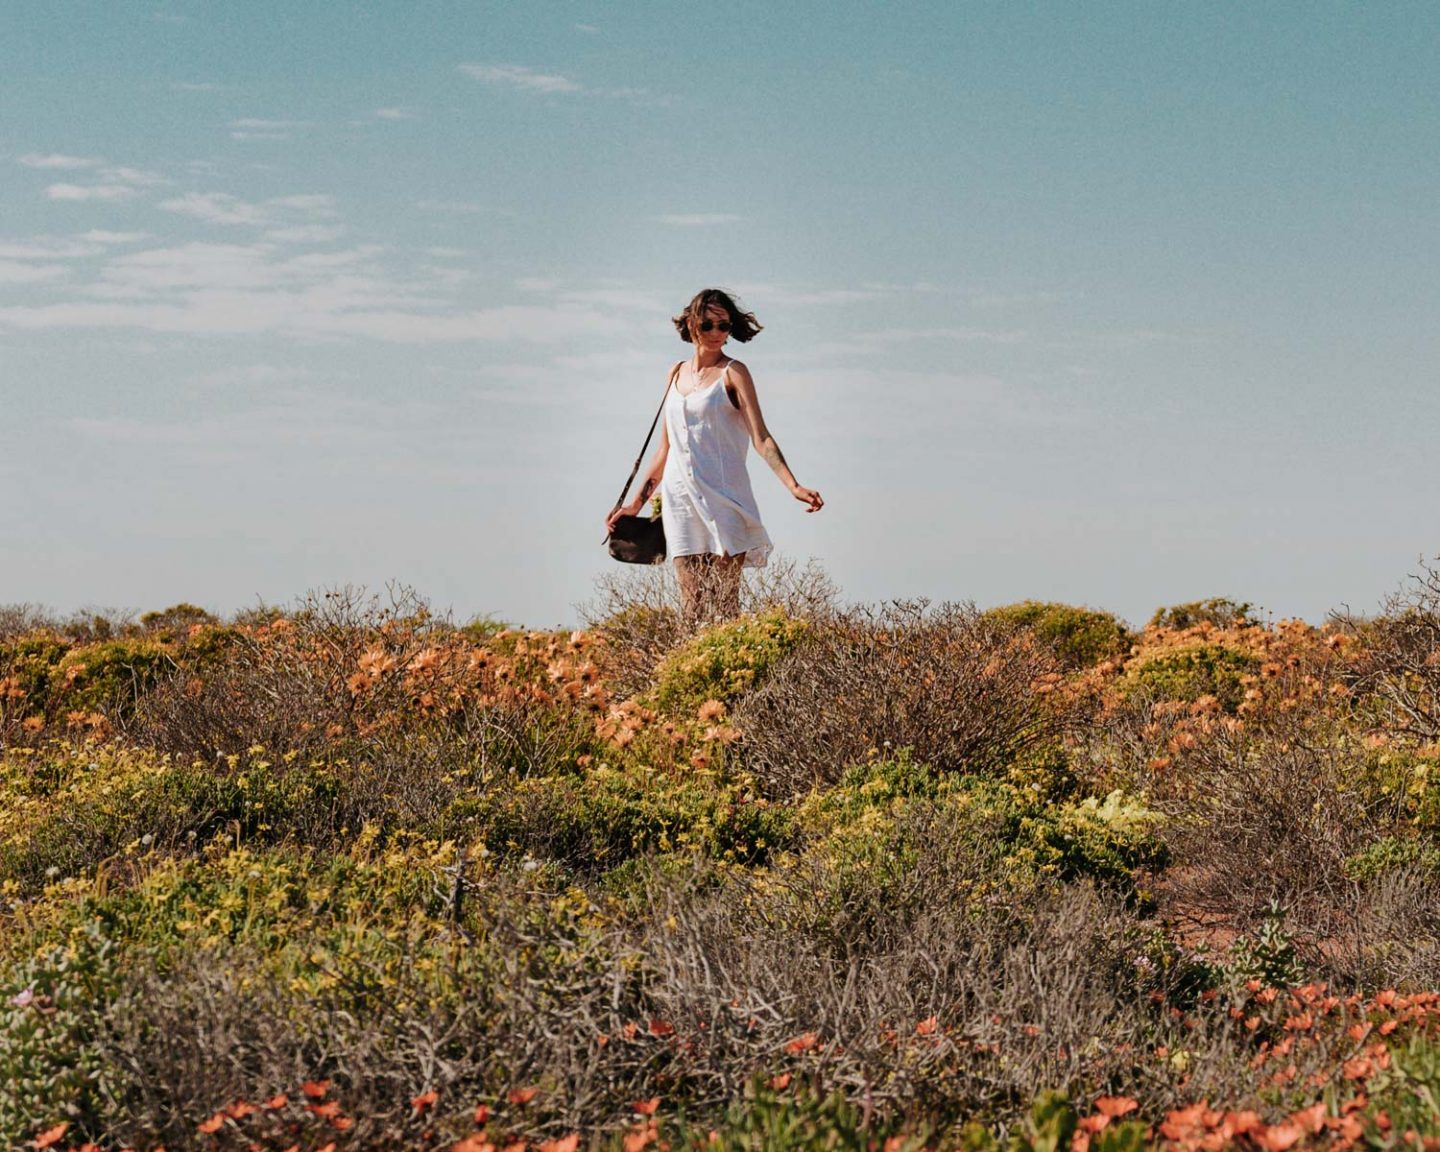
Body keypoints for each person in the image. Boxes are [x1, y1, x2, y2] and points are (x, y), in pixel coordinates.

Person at [606, 288, 824, 625]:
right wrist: (635, 505)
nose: (716, 334)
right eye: (708, 324)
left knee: (724, 606)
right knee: (691, 610)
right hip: (680, 502)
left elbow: (761, 436)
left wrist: (793, 486)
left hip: (725, 498)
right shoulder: (674, 374)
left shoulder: (734, 373)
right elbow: (665, 450)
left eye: (724, 326)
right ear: (692, 325)